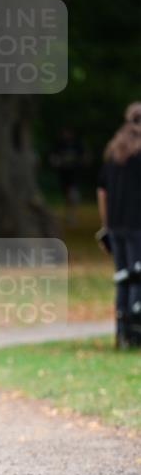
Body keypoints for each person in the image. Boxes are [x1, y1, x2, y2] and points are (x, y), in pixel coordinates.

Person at [96, 101, 141, 348]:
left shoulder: (114, 151)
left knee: (122, 277)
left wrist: (106, 225)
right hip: (137, 226)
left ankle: (122, 332)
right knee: (137, 276)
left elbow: (102, 191)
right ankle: (135, 331)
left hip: (116, 226)